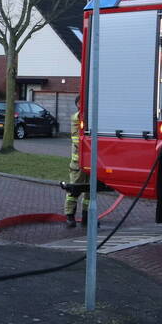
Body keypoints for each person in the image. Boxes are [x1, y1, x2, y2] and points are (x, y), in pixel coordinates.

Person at [65, 92, 90, 227]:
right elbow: (78, 139)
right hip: (78, 163)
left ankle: (86, 216)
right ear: (77, 105)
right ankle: (70, 216)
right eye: (80, 103)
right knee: (74, 189)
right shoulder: (76, 118)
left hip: (91, 162)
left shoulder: (88, 117)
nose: (82, 105)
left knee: (90, 192)